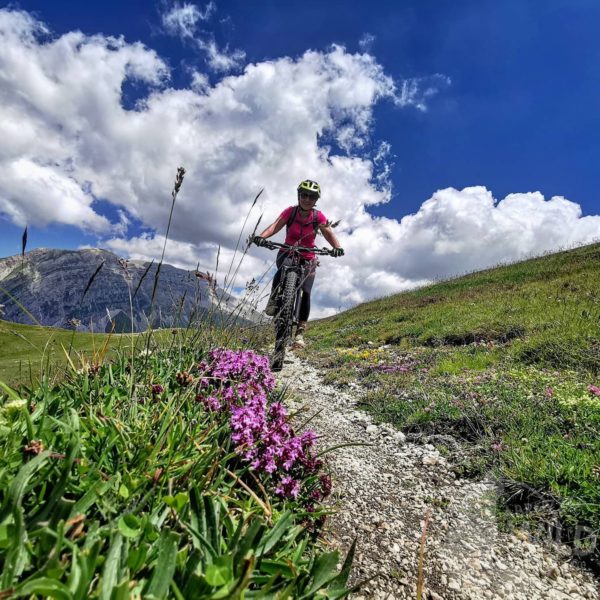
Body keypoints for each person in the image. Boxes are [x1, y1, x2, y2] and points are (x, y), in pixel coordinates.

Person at [251, 179, 344, 348]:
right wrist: (262, 237)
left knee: (306, 291)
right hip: (287, 250)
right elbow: (275, 226)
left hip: (308, 255)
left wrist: (337, 247)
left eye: (312, 197)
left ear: (316, 200)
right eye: (304, 195)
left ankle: (300, 332)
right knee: (280, 272)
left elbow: (328, 232)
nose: (307, 199)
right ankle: (273, 300)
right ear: (299, 195)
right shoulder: (290, 212)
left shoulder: (318, 216)